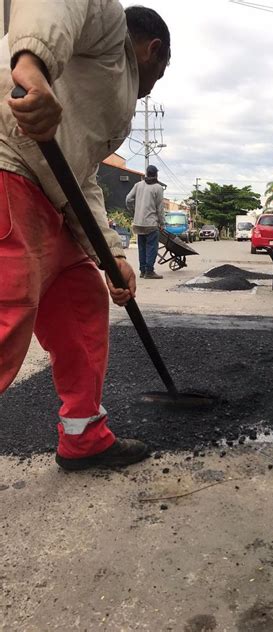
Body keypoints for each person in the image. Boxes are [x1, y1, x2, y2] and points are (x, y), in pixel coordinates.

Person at [0, 2, 171, 469]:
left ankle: (83, 437)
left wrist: (110, 254)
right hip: (9, 170)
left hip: (53, 201)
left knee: (82, 310)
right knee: (6, 322)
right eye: (159, 73)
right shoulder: (109, 29)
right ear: (153, 51)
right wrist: (32, 66)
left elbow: (83, 177)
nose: (152, 86)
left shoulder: (112, 107)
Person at [126, 164, 165, 279]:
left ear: (146, 174)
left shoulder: (138, 185)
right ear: (156, 174)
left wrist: (134, 211)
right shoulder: (158, 188)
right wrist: (162, 223)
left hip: (138, 222)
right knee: (152, 246)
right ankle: (149, 271)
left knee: (142, 247)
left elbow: (128, 199)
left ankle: (143, 271)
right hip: (151, 223)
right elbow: (160, 208)